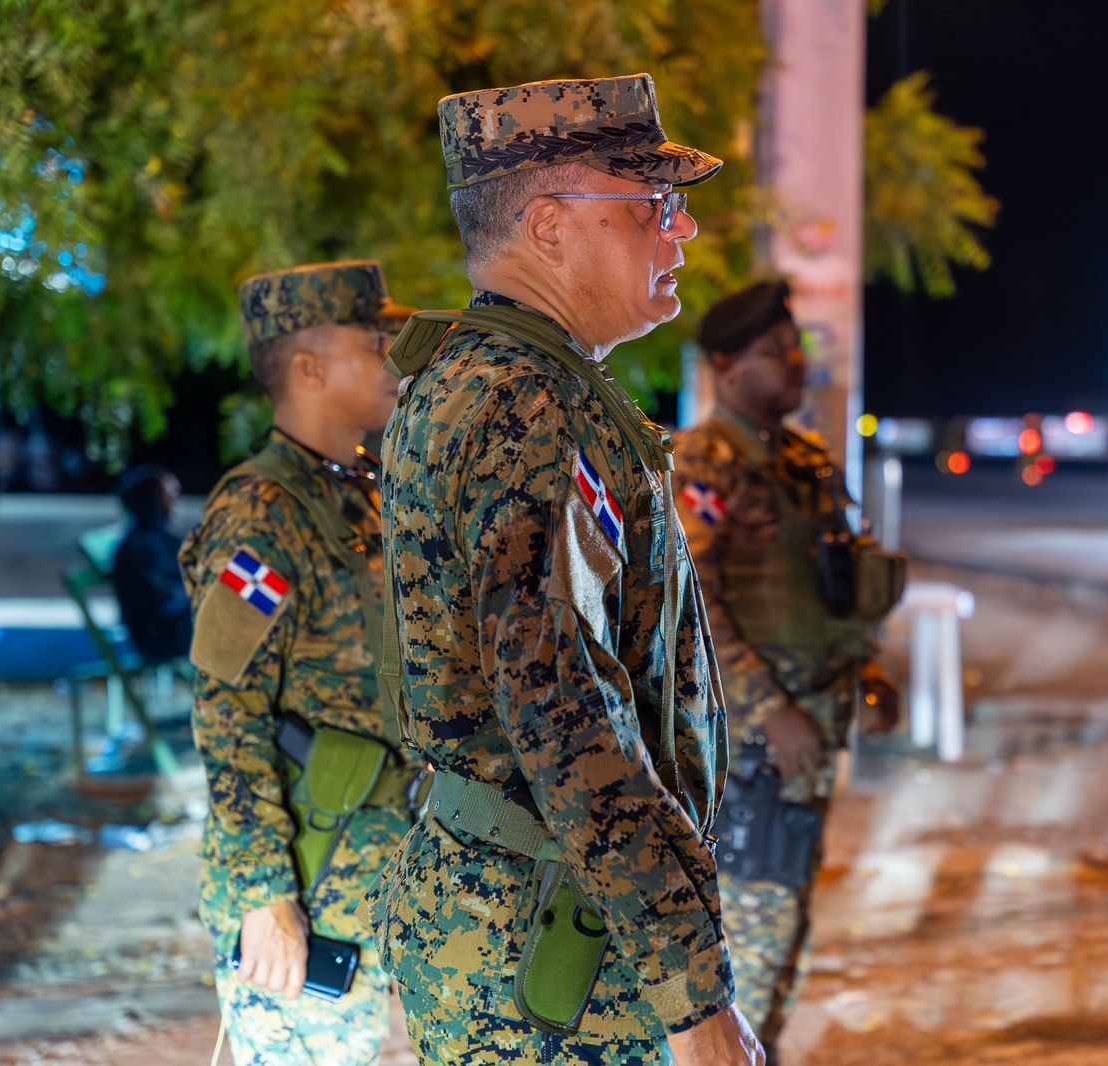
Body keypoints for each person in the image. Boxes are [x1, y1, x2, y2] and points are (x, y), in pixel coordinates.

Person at [368, 74, 763, 1066]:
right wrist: (689, 991)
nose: (684, 234)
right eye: (654, 208)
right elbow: (563, 705)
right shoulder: (524, 406)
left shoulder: (491, 377)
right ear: (549, 226)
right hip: (551, 947)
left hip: (528, 916)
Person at [179, 260, 423, 1064]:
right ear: (310, 368)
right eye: (374, 339)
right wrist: (262, 897)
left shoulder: (363, 491)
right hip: (308, 887)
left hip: (373, 874)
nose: (396, 355)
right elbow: (226, 707)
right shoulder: (263, 511)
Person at [672, 280, 902, 1058]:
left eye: (796, 346)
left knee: (786, 946)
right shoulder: (705, 464)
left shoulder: (804, 461)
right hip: (751, 754)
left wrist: (864, 676)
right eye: (777, 352)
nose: (797, 363)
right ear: (727, 366)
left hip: (809, 743)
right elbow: (692, 605)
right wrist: (770, 707)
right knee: (746, 962)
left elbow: (836, 591)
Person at [112, 463, 192, 664]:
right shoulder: (140, 547)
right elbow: (164, 600)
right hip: (161, 636)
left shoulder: (162, 541)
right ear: (152, 500)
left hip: (180, 624)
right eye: (169, 494)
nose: (175, 501)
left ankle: (275, 601)